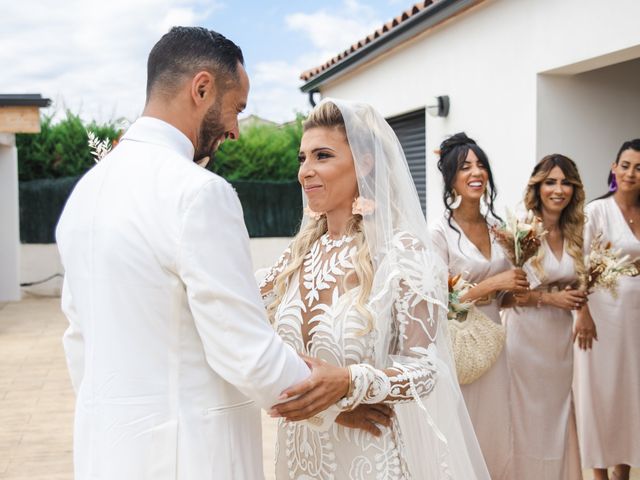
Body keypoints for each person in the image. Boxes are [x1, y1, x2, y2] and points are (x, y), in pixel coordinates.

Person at [56, 27, 348, 480]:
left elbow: (79, 341)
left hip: (107, 455)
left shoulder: (84, 195)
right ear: (202, 88)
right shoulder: (197, 194)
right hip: (189, 456)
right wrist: (338, 397)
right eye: (236, 108)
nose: (233, 129)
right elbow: (244, 350)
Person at [261, 99, 489, 480]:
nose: (305, 171)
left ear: (364, 163)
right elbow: (249, 341)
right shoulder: (294, 258)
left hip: (369, 458)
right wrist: (330, 408)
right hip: (299, 458)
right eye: (302, 158)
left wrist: (352, 382)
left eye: (322, 156)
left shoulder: (403, 254)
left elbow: (428, 369)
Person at [429, 132, 529, 480]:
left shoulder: (499, 228)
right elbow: (437, 300)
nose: (476, 172)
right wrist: (494, 283)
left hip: (495, 339)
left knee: (498, 425)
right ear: (451, 179)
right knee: (465, 423)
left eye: (481, 164)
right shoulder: (439, 233)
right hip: (460, 344)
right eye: (465, 166)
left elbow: (505, 296)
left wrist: (517, 289)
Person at [502, 154, 586, 479]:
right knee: (525, 417)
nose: (558, 189)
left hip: (559, 344)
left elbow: (579, 281)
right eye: (550, 181)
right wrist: (553, 299)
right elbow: (509, 296)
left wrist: (582, 297)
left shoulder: (575, 232)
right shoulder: (522, 231)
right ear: (537, 187)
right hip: (525, 339)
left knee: (557, 414)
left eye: (566, 182)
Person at [573, 139, 640, 480]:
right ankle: (599, 473)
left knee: (631, 391)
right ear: (614, 169)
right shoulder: (596, 212)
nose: (631, 173)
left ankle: (623, 471)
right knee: (600, 392)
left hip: (636, 319)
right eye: (625, 165)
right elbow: (580, 265)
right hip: (601, 315)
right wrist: (582, 312)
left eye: (639, 167)